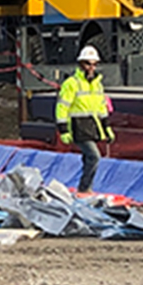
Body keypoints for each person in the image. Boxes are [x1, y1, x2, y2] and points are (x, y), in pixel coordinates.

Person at [54, 45, 114, 192]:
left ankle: (86, 188)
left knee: (89, 158)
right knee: (94, 156)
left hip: (92, 126)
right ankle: (85, 188)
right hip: (78, 127)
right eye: (88, 63)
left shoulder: (97, 85)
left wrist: (107, 128)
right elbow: (62, 108)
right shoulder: (72, 84)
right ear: (81, 64)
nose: (91, 67)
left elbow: (101, 108)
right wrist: (63, 130)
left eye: (94, 64)